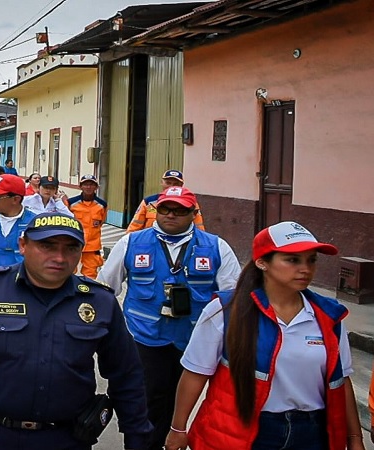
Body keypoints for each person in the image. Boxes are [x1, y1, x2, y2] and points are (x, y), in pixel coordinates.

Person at [0, 212, 153, 450]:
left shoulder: (100, 301)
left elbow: (126, 375)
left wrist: (136, 439)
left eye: (71, 248)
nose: (59, 257)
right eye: (47, 245)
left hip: (64, 439)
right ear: (23, 245)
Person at [164, 221, 365, 450]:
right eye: (293, 260)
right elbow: (195, 373)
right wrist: (178, 429)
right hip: (248, 431)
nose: (305, 268)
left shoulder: (329, 316)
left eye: (312, 260)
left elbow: (342, 380)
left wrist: (355, 439)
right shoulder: (225, 311)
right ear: (262, 262)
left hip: (312, 433)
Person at [97, 186, 241, 450]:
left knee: (184, 404)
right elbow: (105, 290)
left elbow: (233, 300)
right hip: (144, 340)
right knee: (146, 402)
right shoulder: (131, 243)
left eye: (179, 210)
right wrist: (110, 337)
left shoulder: (216, 247)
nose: (171, 215)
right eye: (165, 209)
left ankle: (173, 441)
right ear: (156, 211)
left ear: (193, 213)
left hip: (195, 343)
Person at [126, 170, 205, 233]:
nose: (171, 186)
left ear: (181, 185)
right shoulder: (149, 202)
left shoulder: (190, 203)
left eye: (176, 183)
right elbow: (134, 226)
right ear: (161, 183)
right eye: (168, 183)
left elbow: (199, 227)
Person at [68, 175, 107, 278]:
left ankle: (87, 292)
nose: (88, 187)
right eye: (85, 184)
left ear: (96, 187)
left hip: (92, 246)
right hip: (73, 242)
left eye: (91, 184)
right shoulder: (71, 203)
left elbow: (101, 222)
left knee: (91, 274)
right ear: (80, 186)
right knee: (68, 269)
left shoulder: (102, 205)